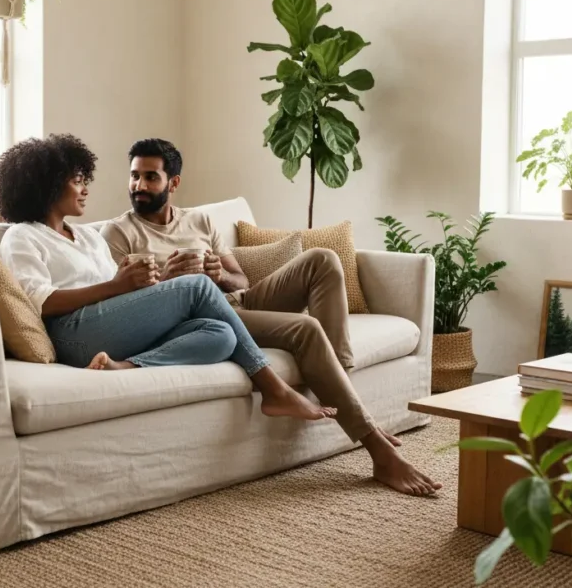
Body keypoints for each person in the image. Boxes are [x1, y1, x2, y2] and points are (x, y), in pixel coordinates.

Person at [99, 138, 442, 497]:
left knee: (322, 259)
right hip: (204, 319)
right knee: (305, 329)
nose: (139, 186)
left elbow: (241, 281)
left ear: (174, 182)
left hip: (239, 301)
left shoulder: (199, 221)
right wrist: (169, 281)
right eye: (134, 177)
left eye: (150, 177)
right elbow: (121, 308)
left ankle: (342, 391)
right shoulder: (119, 233)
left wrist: (218, 273)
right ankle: (379, 451)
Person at [0, 133, 339, 422]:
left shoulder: (86, 236)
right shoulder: (23, 236)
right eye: (77, 180)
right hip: (71, 334)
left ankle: (123, 366)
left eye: (85, 180)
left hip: (109, 328)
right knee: (198, 286)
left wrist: (140, 284)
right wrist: (117, 286)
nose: (85, 189)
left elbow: (118, 292)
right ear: (48, 186)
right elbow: (42, 303)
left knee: (220, 335)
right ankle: (274, 389)